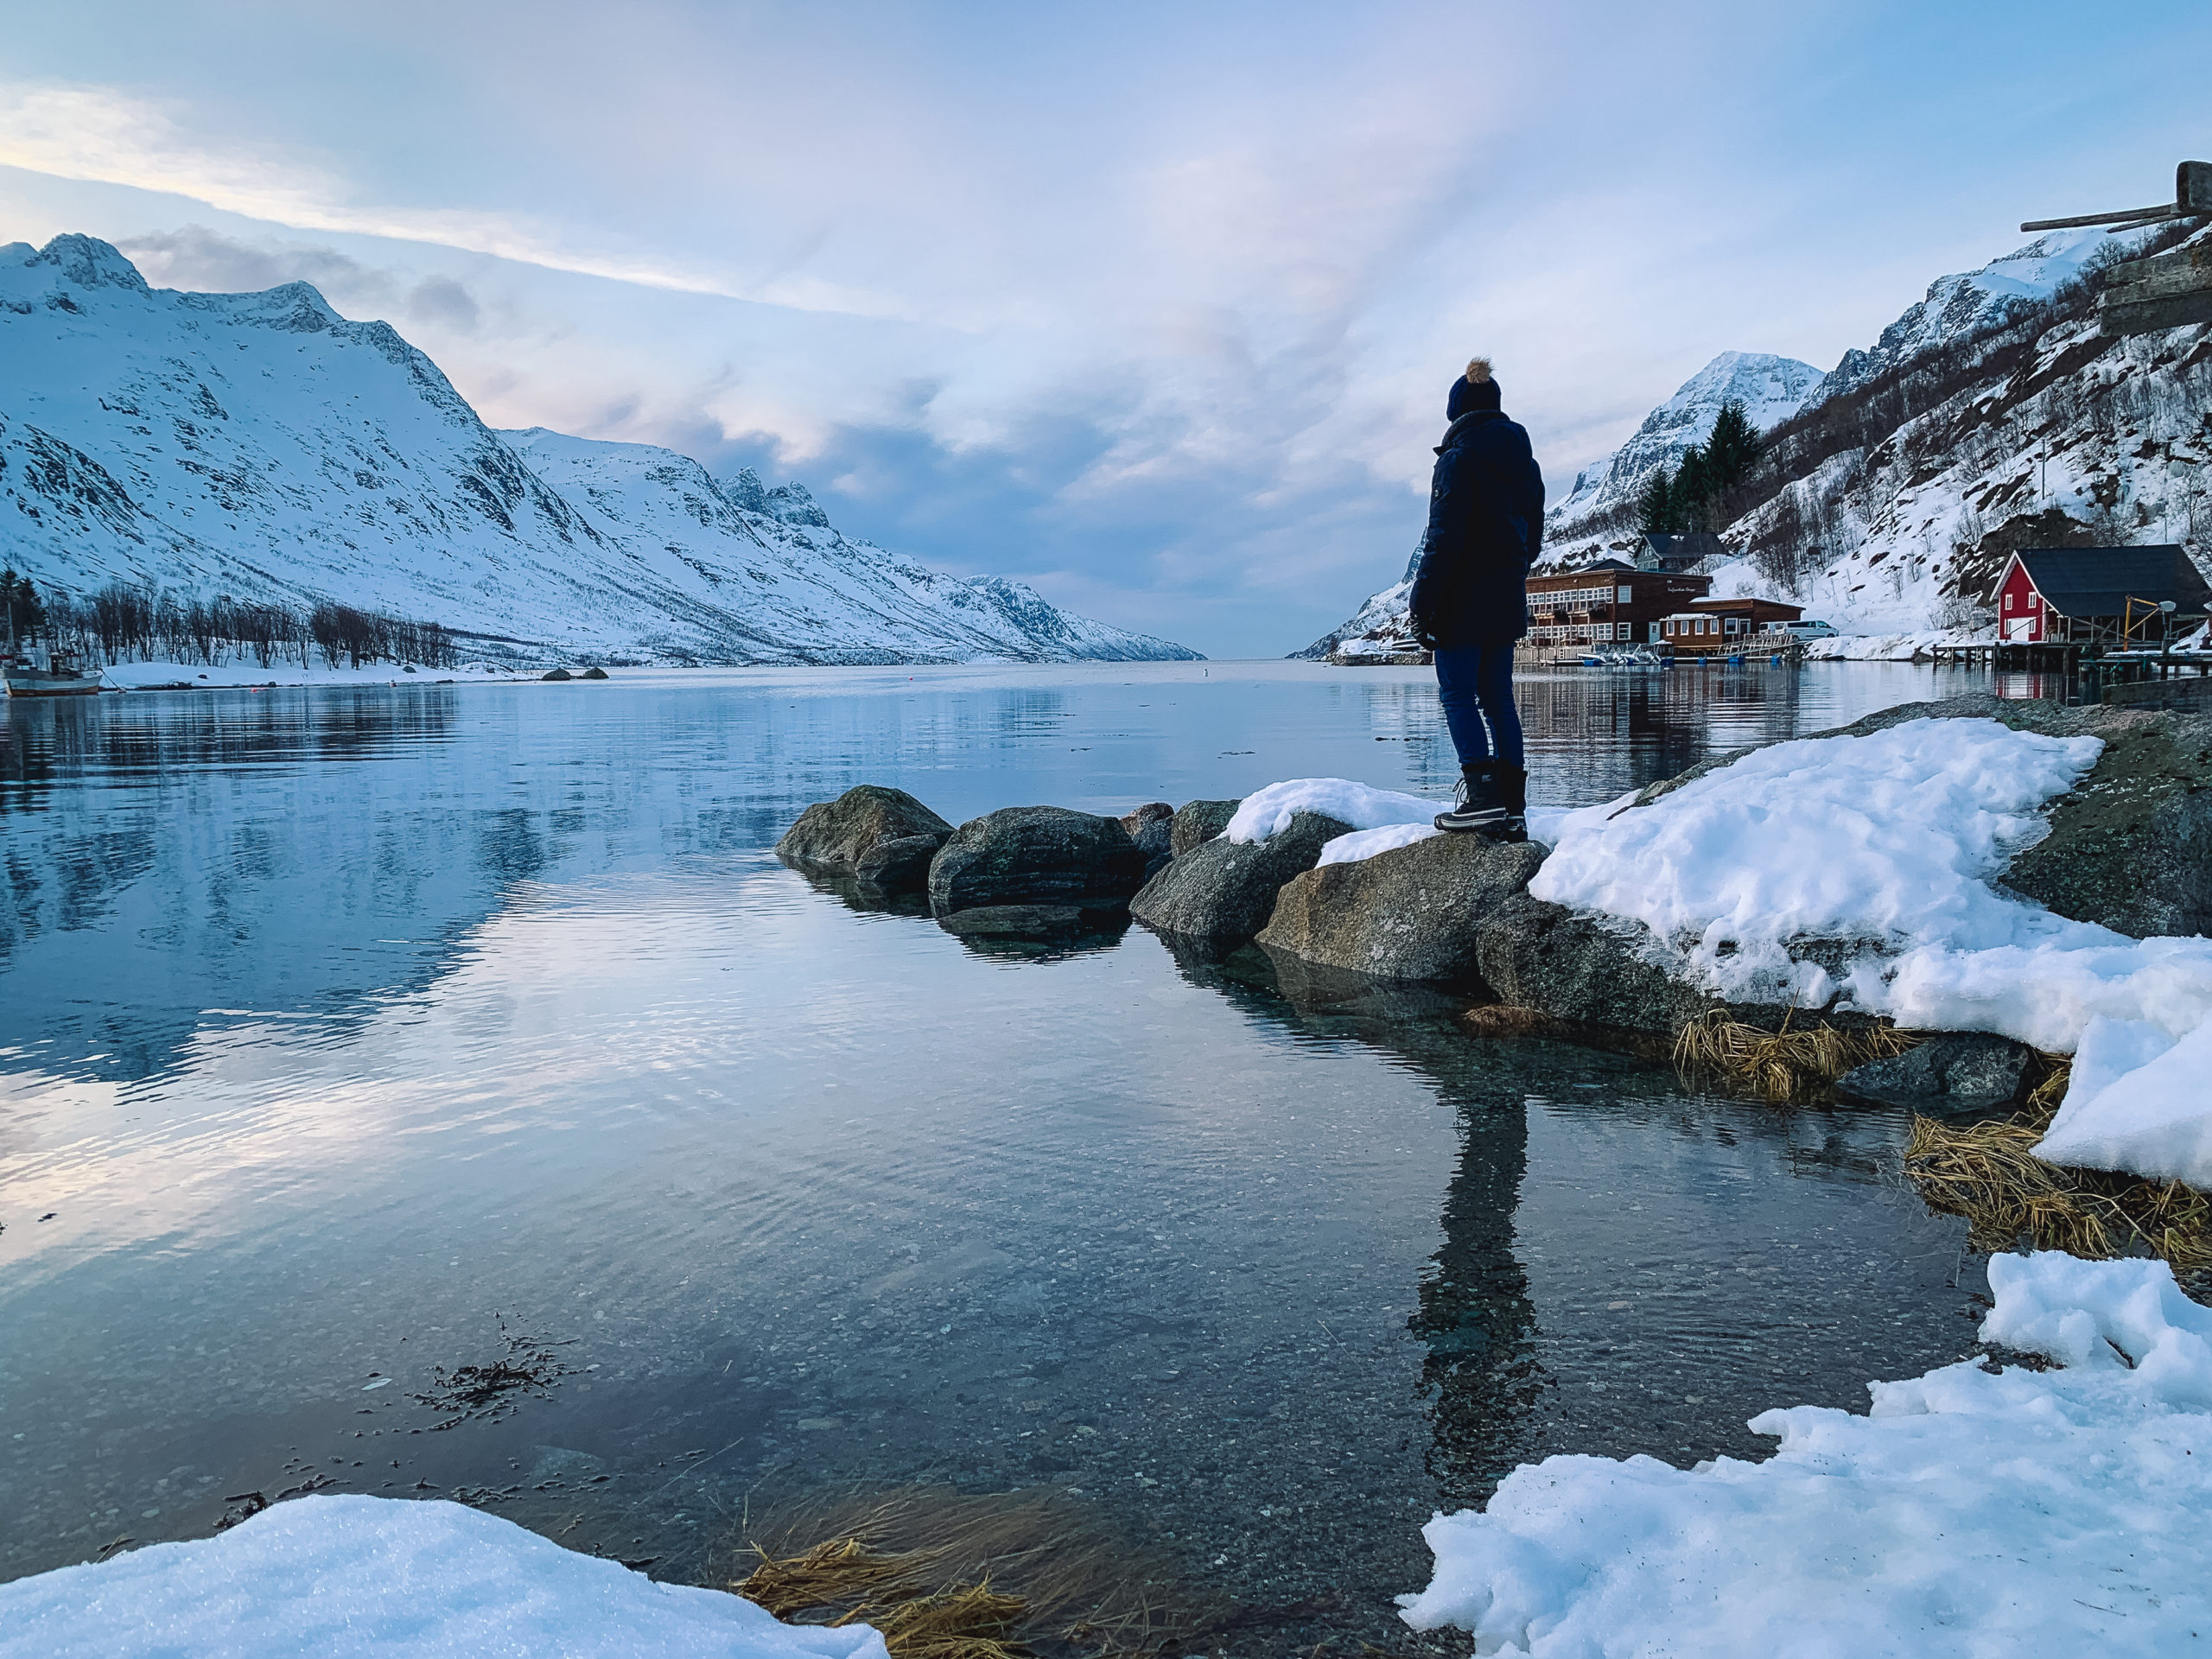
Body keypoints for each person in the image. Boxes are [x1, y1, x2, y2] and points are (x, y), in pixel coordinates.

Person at [1408, 357, 1544, 841]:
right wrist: (1505, 575)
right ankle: (1512, 809)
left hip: (1461, 602)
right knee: (1498, 700)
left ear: (1456, 412)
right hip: (1505, 600)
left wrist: (1422, 608)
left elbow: (1443, 540)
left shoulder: (1457, 459)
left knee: (1457, 696)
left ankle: (1483, 799)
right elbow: (1533, 542)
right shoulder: (1525, 465)